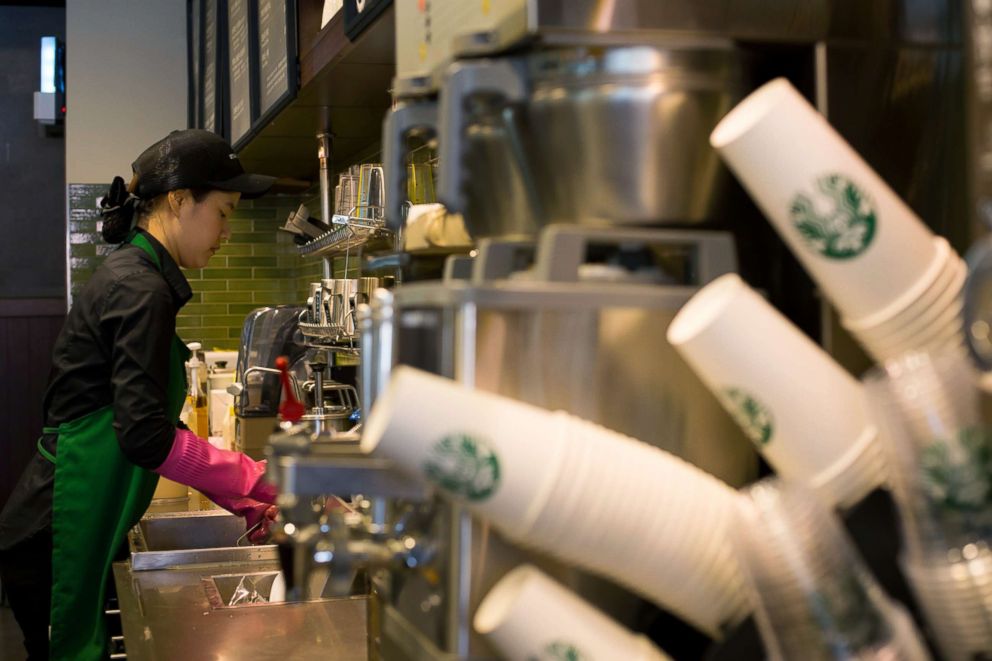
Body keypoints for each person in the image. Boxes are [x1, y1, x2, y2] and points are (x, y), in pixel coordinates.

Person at [0, 129, 280, 661]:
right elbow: (145, 437)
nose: (226, 231)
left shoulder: (138, 275)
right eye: (223, 212)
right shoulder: (141, 288)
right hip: (60, 526)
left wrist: (239, 497)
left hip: (70, 513)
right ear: (179, 201)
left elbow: (142, 417)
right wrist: (256, 480)